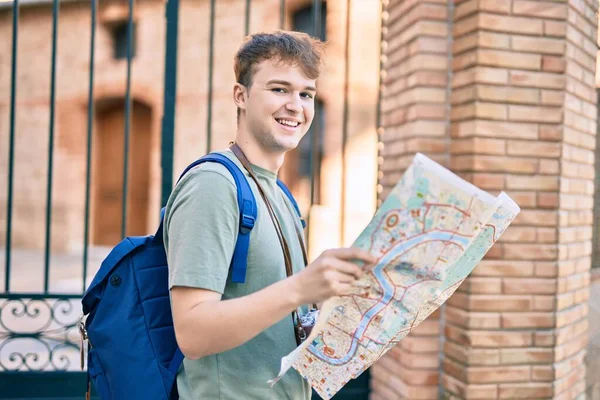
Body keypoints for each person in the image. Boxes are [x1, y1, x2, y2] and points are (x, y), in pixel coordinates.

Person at [163, 30, 377, 400]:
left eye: (306, 94)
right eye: (279, 89)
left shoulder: (279, 193)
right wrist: (301, 288)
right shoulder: (214, 184)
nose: (296, 105)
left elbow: (277, 313)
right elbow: (193, 334)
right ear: (241, 96)